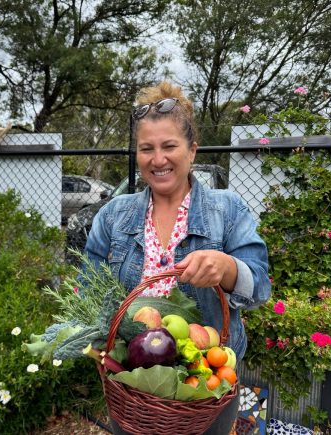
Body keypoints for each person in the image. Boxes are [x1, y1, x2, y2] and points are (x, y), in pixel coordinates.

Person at [83, 81, 271, 434]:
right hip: (135, 386)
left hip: (206, 381)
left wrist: (228, 268)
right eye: (146, 149)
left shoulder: (227, 210)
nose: (158, 159)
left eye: (169, 146)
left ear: (192, 151)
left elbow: (260, 287)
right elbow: (89, 287)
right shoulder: (112, 216)